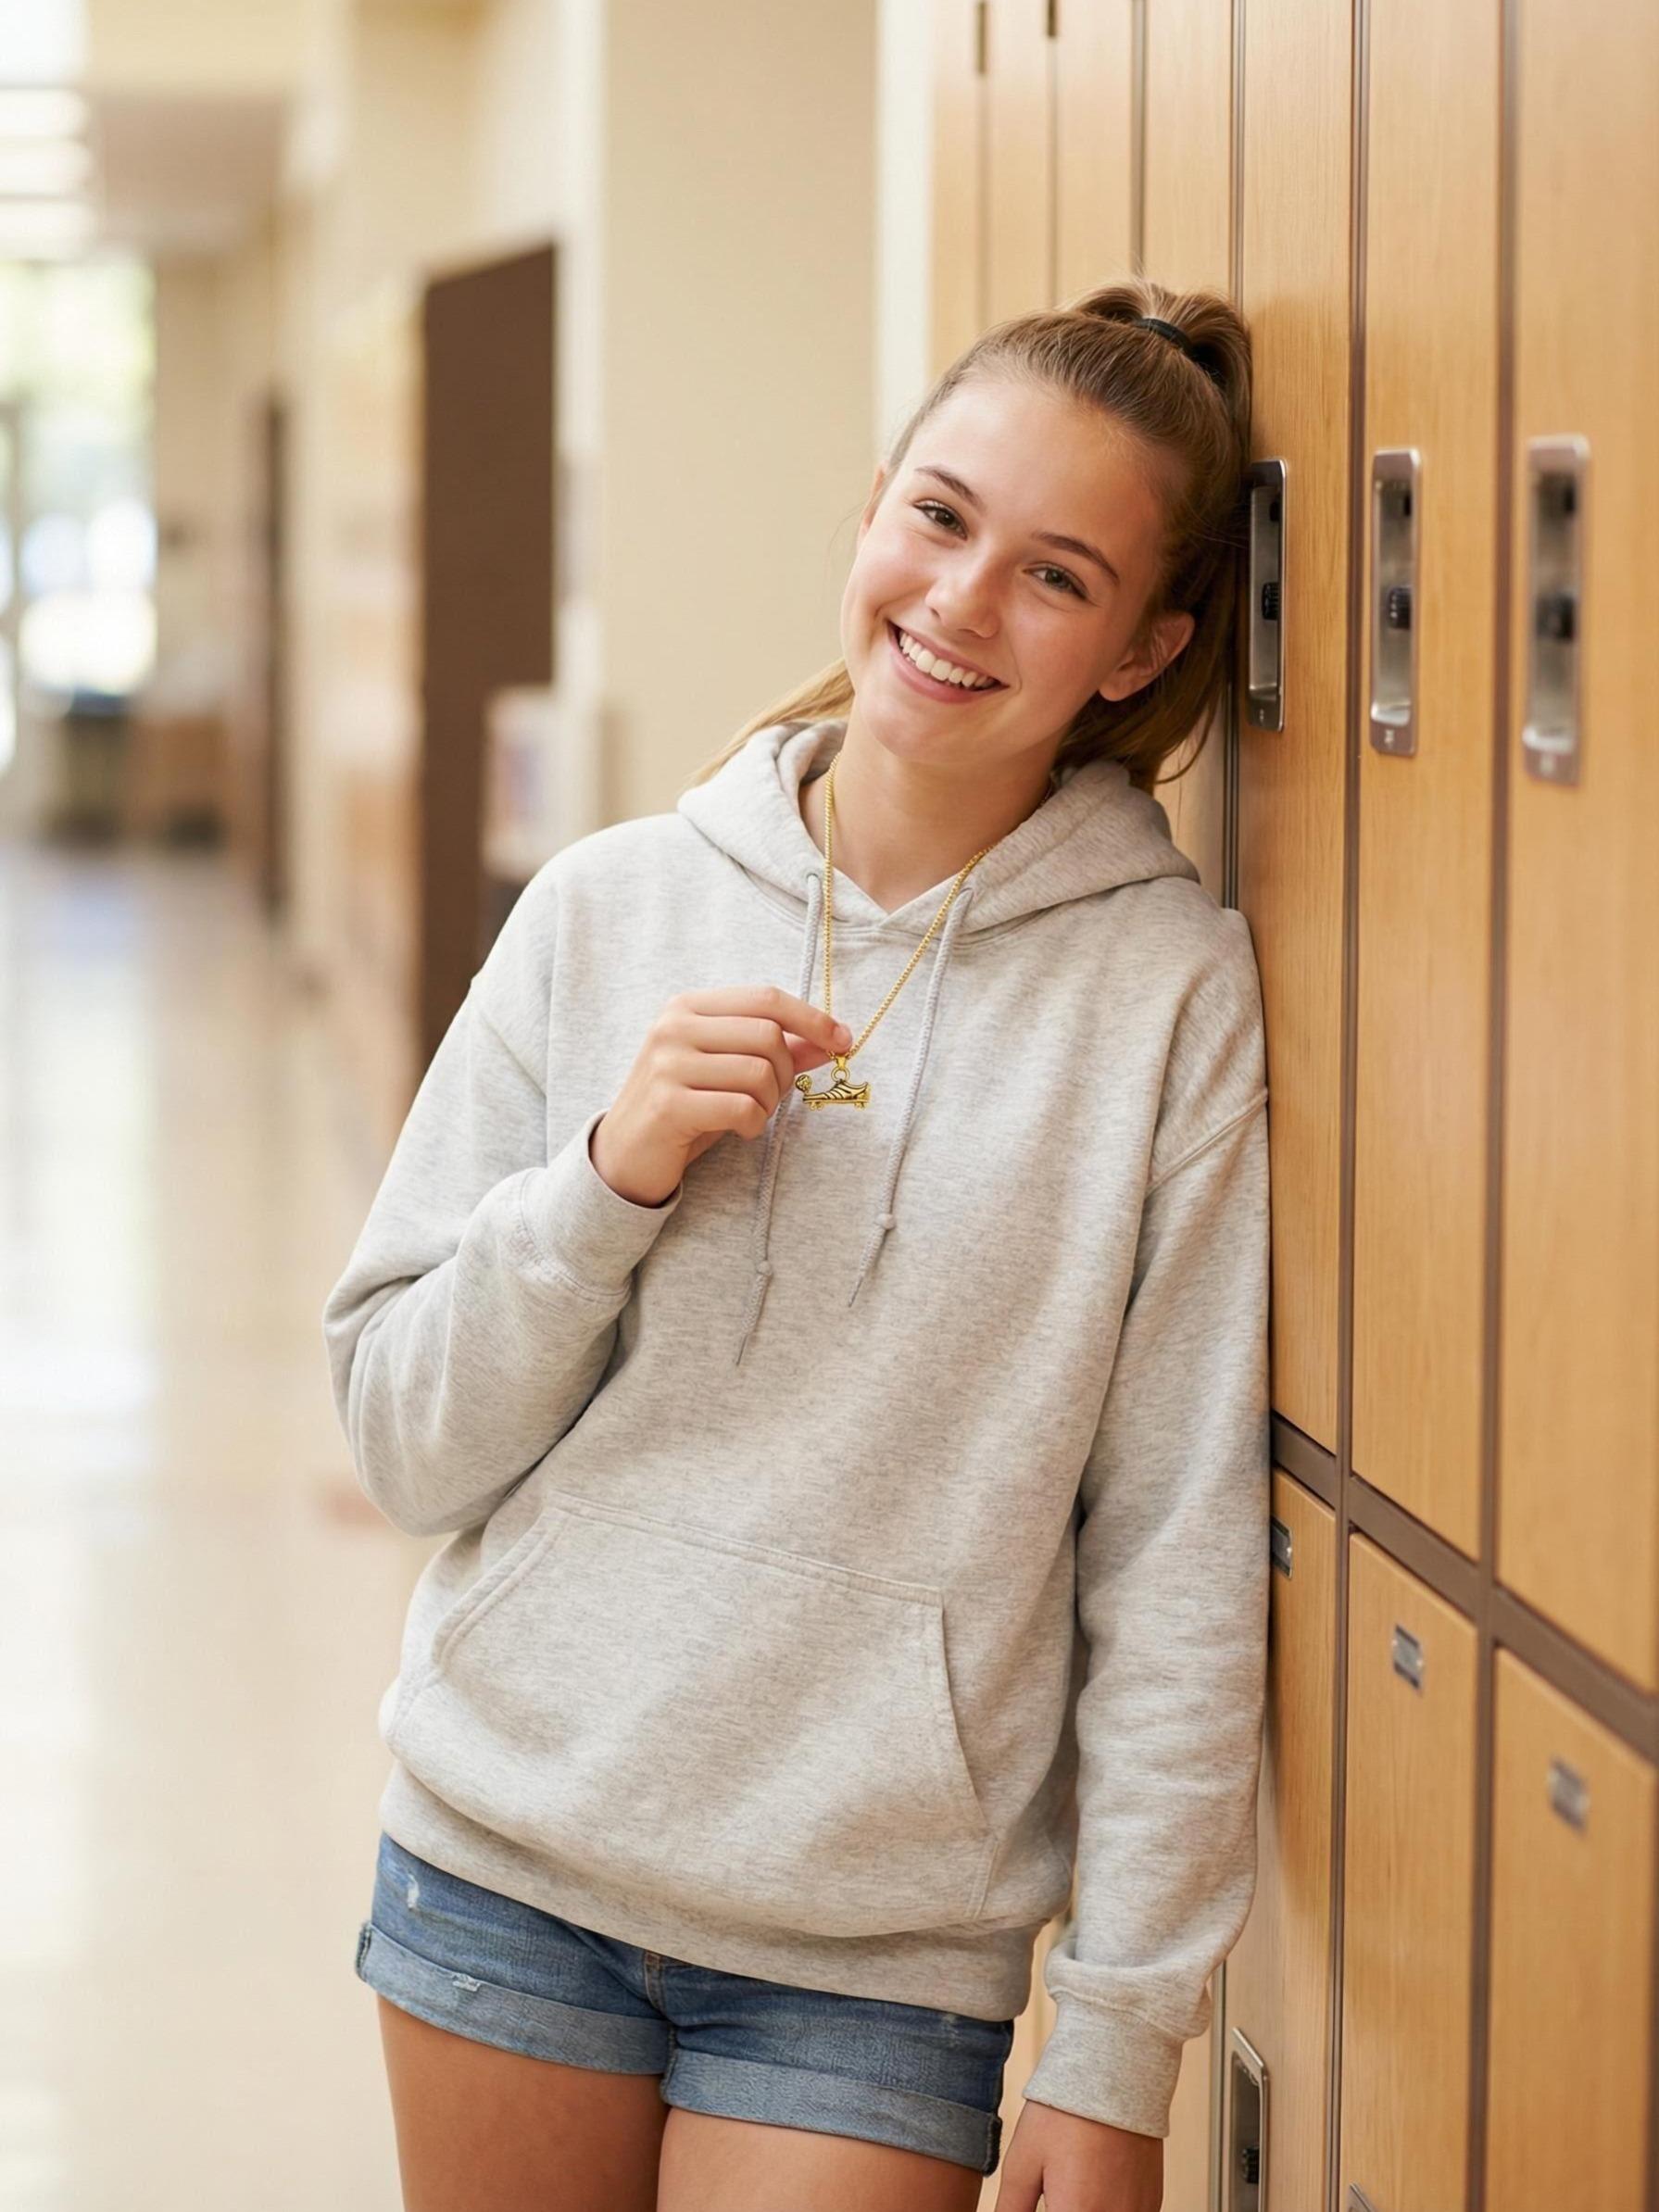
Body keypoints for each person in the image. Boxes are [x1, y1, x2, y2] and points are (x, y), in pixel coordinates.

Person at [323, 275, 1270, 2212]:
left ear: (1139, 647)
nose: (956, 604)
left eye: (1052, 576)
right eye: (936, 518)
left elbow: (1177, 1548)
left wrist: (1113, 2052)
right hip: (503, 1858)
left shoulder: (1166, 999)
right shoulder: (610, 907)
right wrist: (600, 1185)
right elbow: (403, 1439)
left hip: (870, 1952)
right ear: (869, 510)